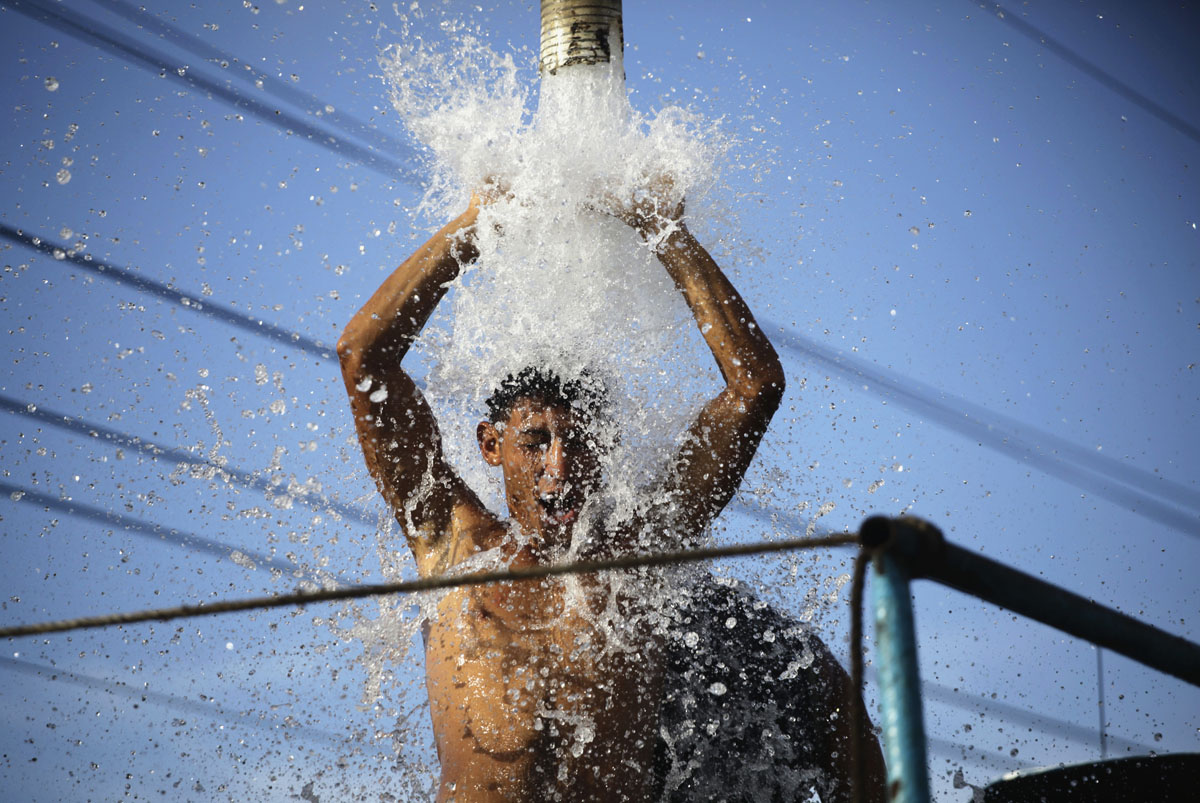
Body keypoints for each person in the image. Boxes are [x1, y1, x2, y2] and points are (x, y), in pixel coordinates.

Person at [338, 182, 885, 802]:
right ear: (492, 445)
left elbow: (754, 389)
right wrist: (475, 222)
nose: (560, 466)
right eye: (536, 441)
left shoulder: (639, 558)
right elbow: (364, 359)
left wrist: (663, 231)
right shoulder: (456, 549)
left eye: (581, 442)